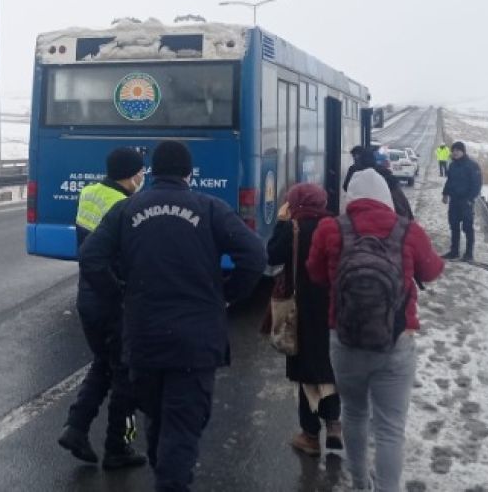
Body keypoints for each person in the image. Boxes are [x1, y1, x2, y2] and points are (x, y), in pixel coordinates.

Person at [80, 140, 267, 492]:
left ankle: (165, 474)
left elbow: (91, 257)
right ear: (188, 173)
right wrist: (226, 294)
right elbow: (255, 255)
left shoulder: (127, 210)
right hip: (195, 342)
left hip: (144, 338)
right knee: (182, 427)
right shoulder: (210, 208)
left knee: (157, 419)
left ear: (152, 173)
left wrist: (121, 295)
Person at [307, 170, 444, 492]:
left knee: (354, 415)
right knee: (390, 428)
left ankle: (359, 483)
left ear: (350, 198)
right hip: (396, 342)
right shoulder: (407, 230)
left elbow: (315, 274)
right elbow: (433, 270)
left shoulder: (330, 228)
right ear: (385, 197)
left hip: (344, 339)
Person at [58, 148, 149, 469]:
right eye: (140, 172)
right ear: (129, 173)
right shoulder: (124, 207)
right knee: (126, 377)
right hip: (114, 301)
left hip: (88, 297)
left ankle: (76, 428)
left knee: (103, 364)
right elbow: (131, 258)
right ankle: (117, 447)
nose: (143, 177)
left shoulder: (89, 194)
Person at [267, 183, 342, 457]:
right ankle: (334, 423)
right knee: (328, 365)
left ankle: (310, 435)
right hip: (332, 307)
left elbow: (271, 255)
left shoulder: (294, 228)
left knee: (306, 370)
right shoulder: (334, 224)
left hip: (302, 307)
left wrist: (281, 223)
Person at [344, 146, 414, 220]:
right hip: (389, 216)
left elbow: (346, 186)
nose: (355, 159)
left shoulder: (354, 170)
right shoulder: (384, 172)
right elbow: (402, 204)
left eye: (355, 157)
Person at [442, 141, 483, 261]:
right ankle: (454, 251)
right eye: (453, 150)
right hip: (454, 201)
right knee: (454, 226)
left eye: (457, 150)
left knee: (467, 228)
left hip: (466, 202)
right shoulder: (452, 166)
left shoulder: (472, 165)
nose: (454, 152)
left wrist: (470, 199)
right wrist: (445, 194)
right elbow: (449, 181)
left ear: (463, 151)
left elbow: (477, 184)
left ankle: (469, 254)